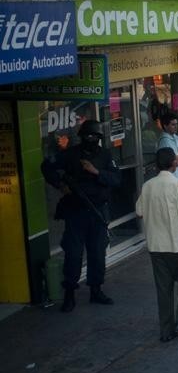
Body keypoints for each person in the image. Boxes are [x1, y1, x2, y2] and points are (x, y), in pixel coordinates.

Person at [41, 119, 121, 312]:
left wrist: (96, 172)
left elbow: (116, 179)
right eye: (88, 136)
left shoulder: (105, 155)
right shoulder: (70, 154)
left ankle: (96, 290)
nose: (91, 139)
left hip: (97, 211)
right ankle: (69, 294)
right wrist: (60, 185)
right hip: (76, 212)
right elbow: (47, 166)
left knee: (97, 254)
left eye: (95, 136)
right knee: (73, 255)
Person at [136, 147, 178, 342]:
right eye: (176, 159)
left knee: (163, 290)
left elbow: (140, 211)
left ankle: (166, 331)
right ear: (173, 163)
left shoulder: (148, 186)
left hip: (156, 247)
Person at [157, 113, 178, 184]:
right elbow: (175, 162)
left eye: (176, 124)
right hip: (172, 179)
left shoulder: (177, 137)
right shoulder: (164, 140)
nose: (176, 127)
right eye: (173, 125)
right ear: (165, 126)